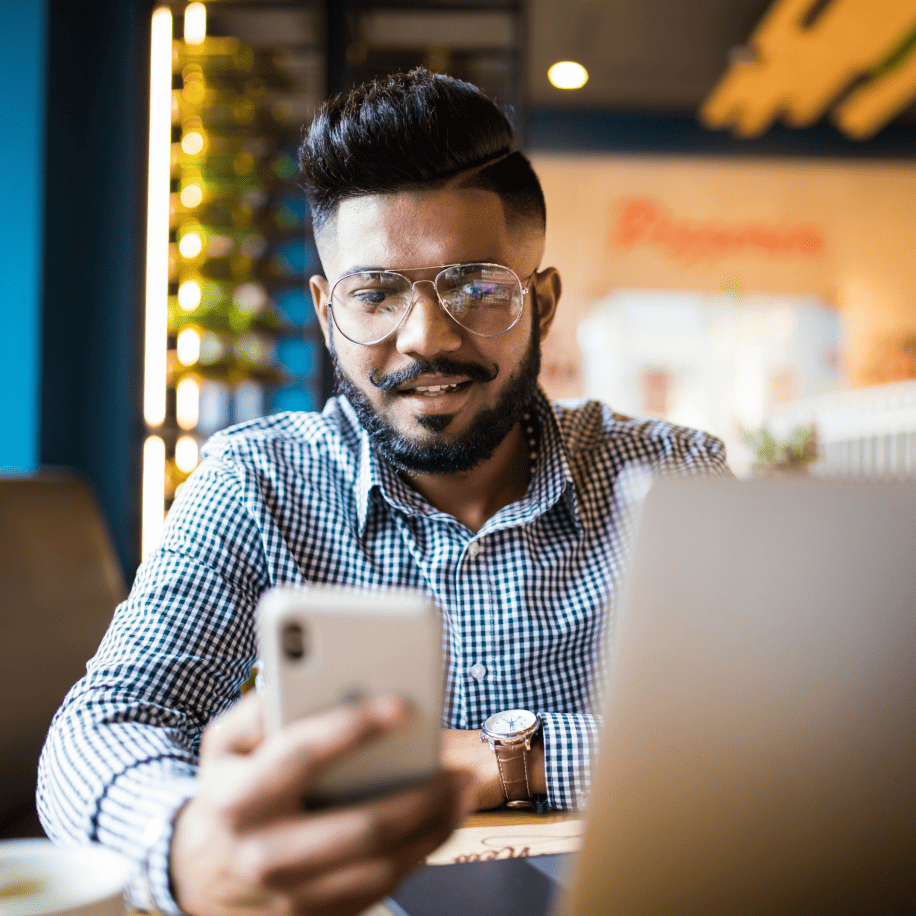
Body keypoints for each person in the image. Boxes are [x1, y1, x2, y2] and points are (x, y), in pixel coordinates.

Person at [38, 68, 729, 915]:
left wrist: (506, 757)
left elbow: (777, 733)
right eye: (375, 293)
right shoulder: (257, 480)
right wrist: (186, 844)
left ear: (541, 304)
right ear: (329, 312)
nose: (426, 338)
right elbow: (98, 729)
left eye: (477, 287)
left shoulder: (676, 476)